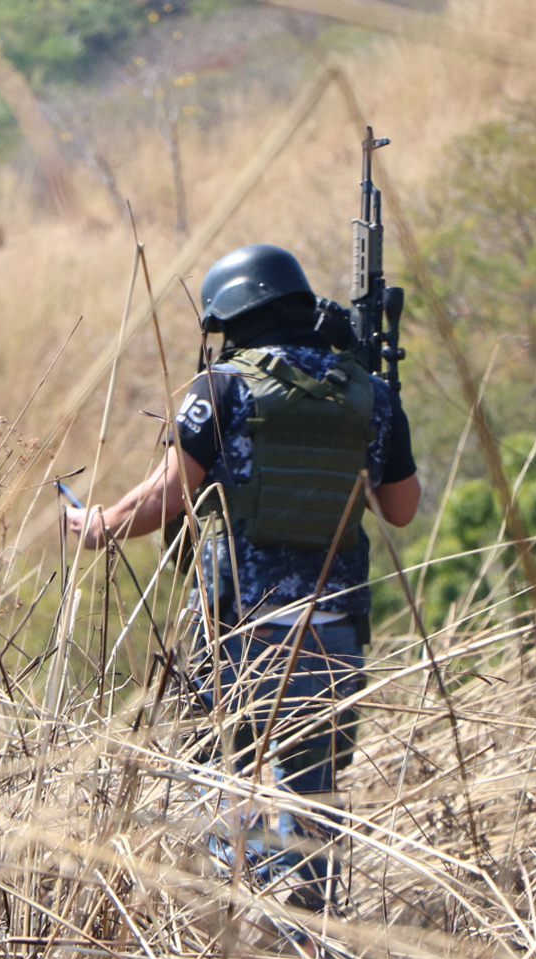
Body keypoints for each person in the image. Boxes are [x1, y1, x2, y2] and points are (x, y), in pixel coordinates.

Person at [65, 243, 419, 911]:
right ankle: (310, 954)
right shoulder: (368, 394)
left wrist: (95, 527)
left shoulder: (222, 387)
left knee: (229, 795)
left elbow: (168, 495)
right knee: (316, 806)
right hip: (334, 636)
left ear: (233, 320)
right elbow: (400, 509)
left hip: (243, 637)